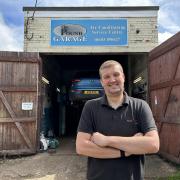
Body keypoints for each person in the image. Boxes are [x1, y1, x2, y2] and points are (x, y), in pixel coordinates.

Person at [76, 60, 159, 180]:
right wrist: (125, 151)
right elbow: (81, 147)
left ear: (123, 77)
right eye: (106, 77)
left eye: (116, 74)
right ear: (101, 82)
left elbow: (153, 144)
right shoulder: (90, 107)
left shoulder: (140, 106)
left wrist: (107, 140)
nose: (112, 80)